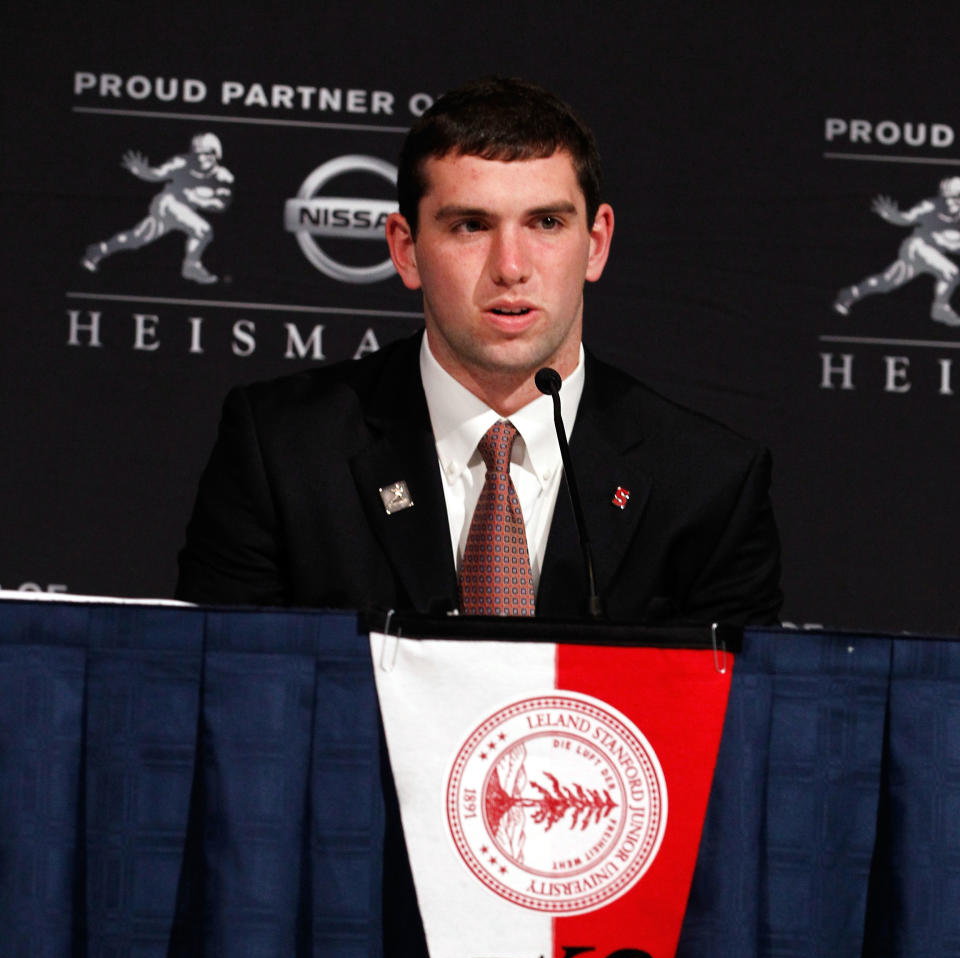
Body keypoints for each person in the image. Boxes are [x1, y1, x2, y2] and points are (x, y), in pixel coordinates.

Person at [176, 78, 780, 624]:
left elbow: (733, 735)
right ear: (406, 248)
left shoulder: (706, 484)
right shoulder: (284, 453)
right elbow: (231, 708)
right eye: (470, 226)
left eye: (546, 223)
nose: (511, 268)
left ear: (595, 244)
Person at [82, 133, 233, 286]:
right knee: (203, 230)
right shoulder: (181, 162)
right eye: (197, 154)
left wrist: (197, 199)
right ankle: (191, 266)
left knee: (136, 238)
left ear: (216, 153)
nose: (201, 158)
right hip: (167, 204)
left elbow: (221, 205)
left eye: (206, 153)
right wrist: (143, 171)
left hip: (182, 211)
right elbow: (158, 173)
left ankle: (100, 249)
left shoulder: (223, 177)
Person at [834, 177, 960, 328]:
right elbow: (907, 218)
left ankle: (850, 294)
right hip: (917, 248)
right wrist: (891, 215)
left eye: (957, 197)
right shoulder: (930, 205)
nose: (954, 202)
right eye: (953, 197)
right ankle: (940, 308)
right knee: (951, 272)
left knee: (886, 282)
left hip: (931, 252)